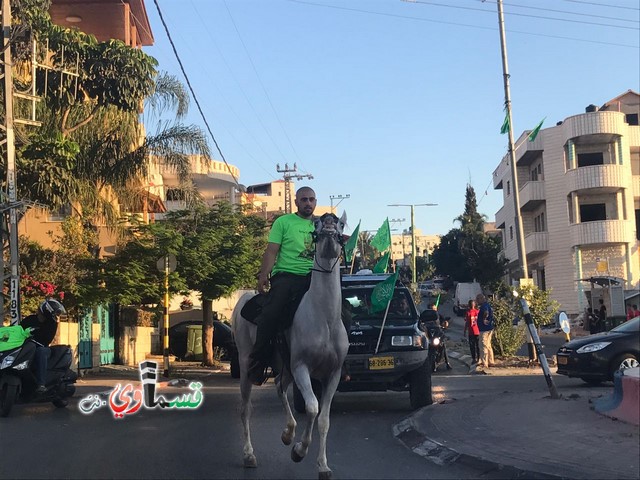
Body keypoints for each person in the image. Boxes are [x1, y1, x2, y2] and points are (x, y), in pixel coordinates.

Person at [247, 186, 318, 386]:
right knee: (270, 313)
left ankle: (341, 360)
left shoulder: (321, 224)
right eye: (304, 199)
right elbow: (271, 251)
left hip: (315, 278)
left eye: (311, 199)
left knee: (343, 311)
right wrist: (263, 274)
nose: (308, 203)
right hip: (287, 276)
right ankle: (258, 362)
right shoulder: (283, 222)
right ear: (296, 202)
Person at [21, 298, 67, 393]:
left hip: (42, 347)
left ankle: (41, 384)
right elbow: (18, 330)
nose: (56, 315)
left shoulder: (52, 324)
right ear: (48, 311)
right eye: (55, 313)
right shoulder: (30, 319)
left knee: (41, 352)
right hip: (26, 346)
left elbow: (46, 340)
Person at [476, 293, 495, 369]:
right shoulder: (487, 305)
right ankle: (491, 361)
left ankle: (485, 363)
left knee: (483, 345)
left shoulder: (484, 306)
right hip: (489, 328)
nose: (477, 301)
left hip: (484, 329)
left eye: (478, 299)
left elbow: (486, 312)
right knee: (488, 345)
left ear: (481, 299)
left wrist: (484, 319)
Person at [463, 299, 480, 364]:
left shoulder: (468, 312)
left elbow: (467, 322)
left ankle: (474, 358)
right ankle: (478, 358)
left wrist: (465, 331)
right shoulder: (478, 312)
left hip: (472, 332)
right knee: (477, 345)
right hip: (477, 331)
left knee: (472, 346)